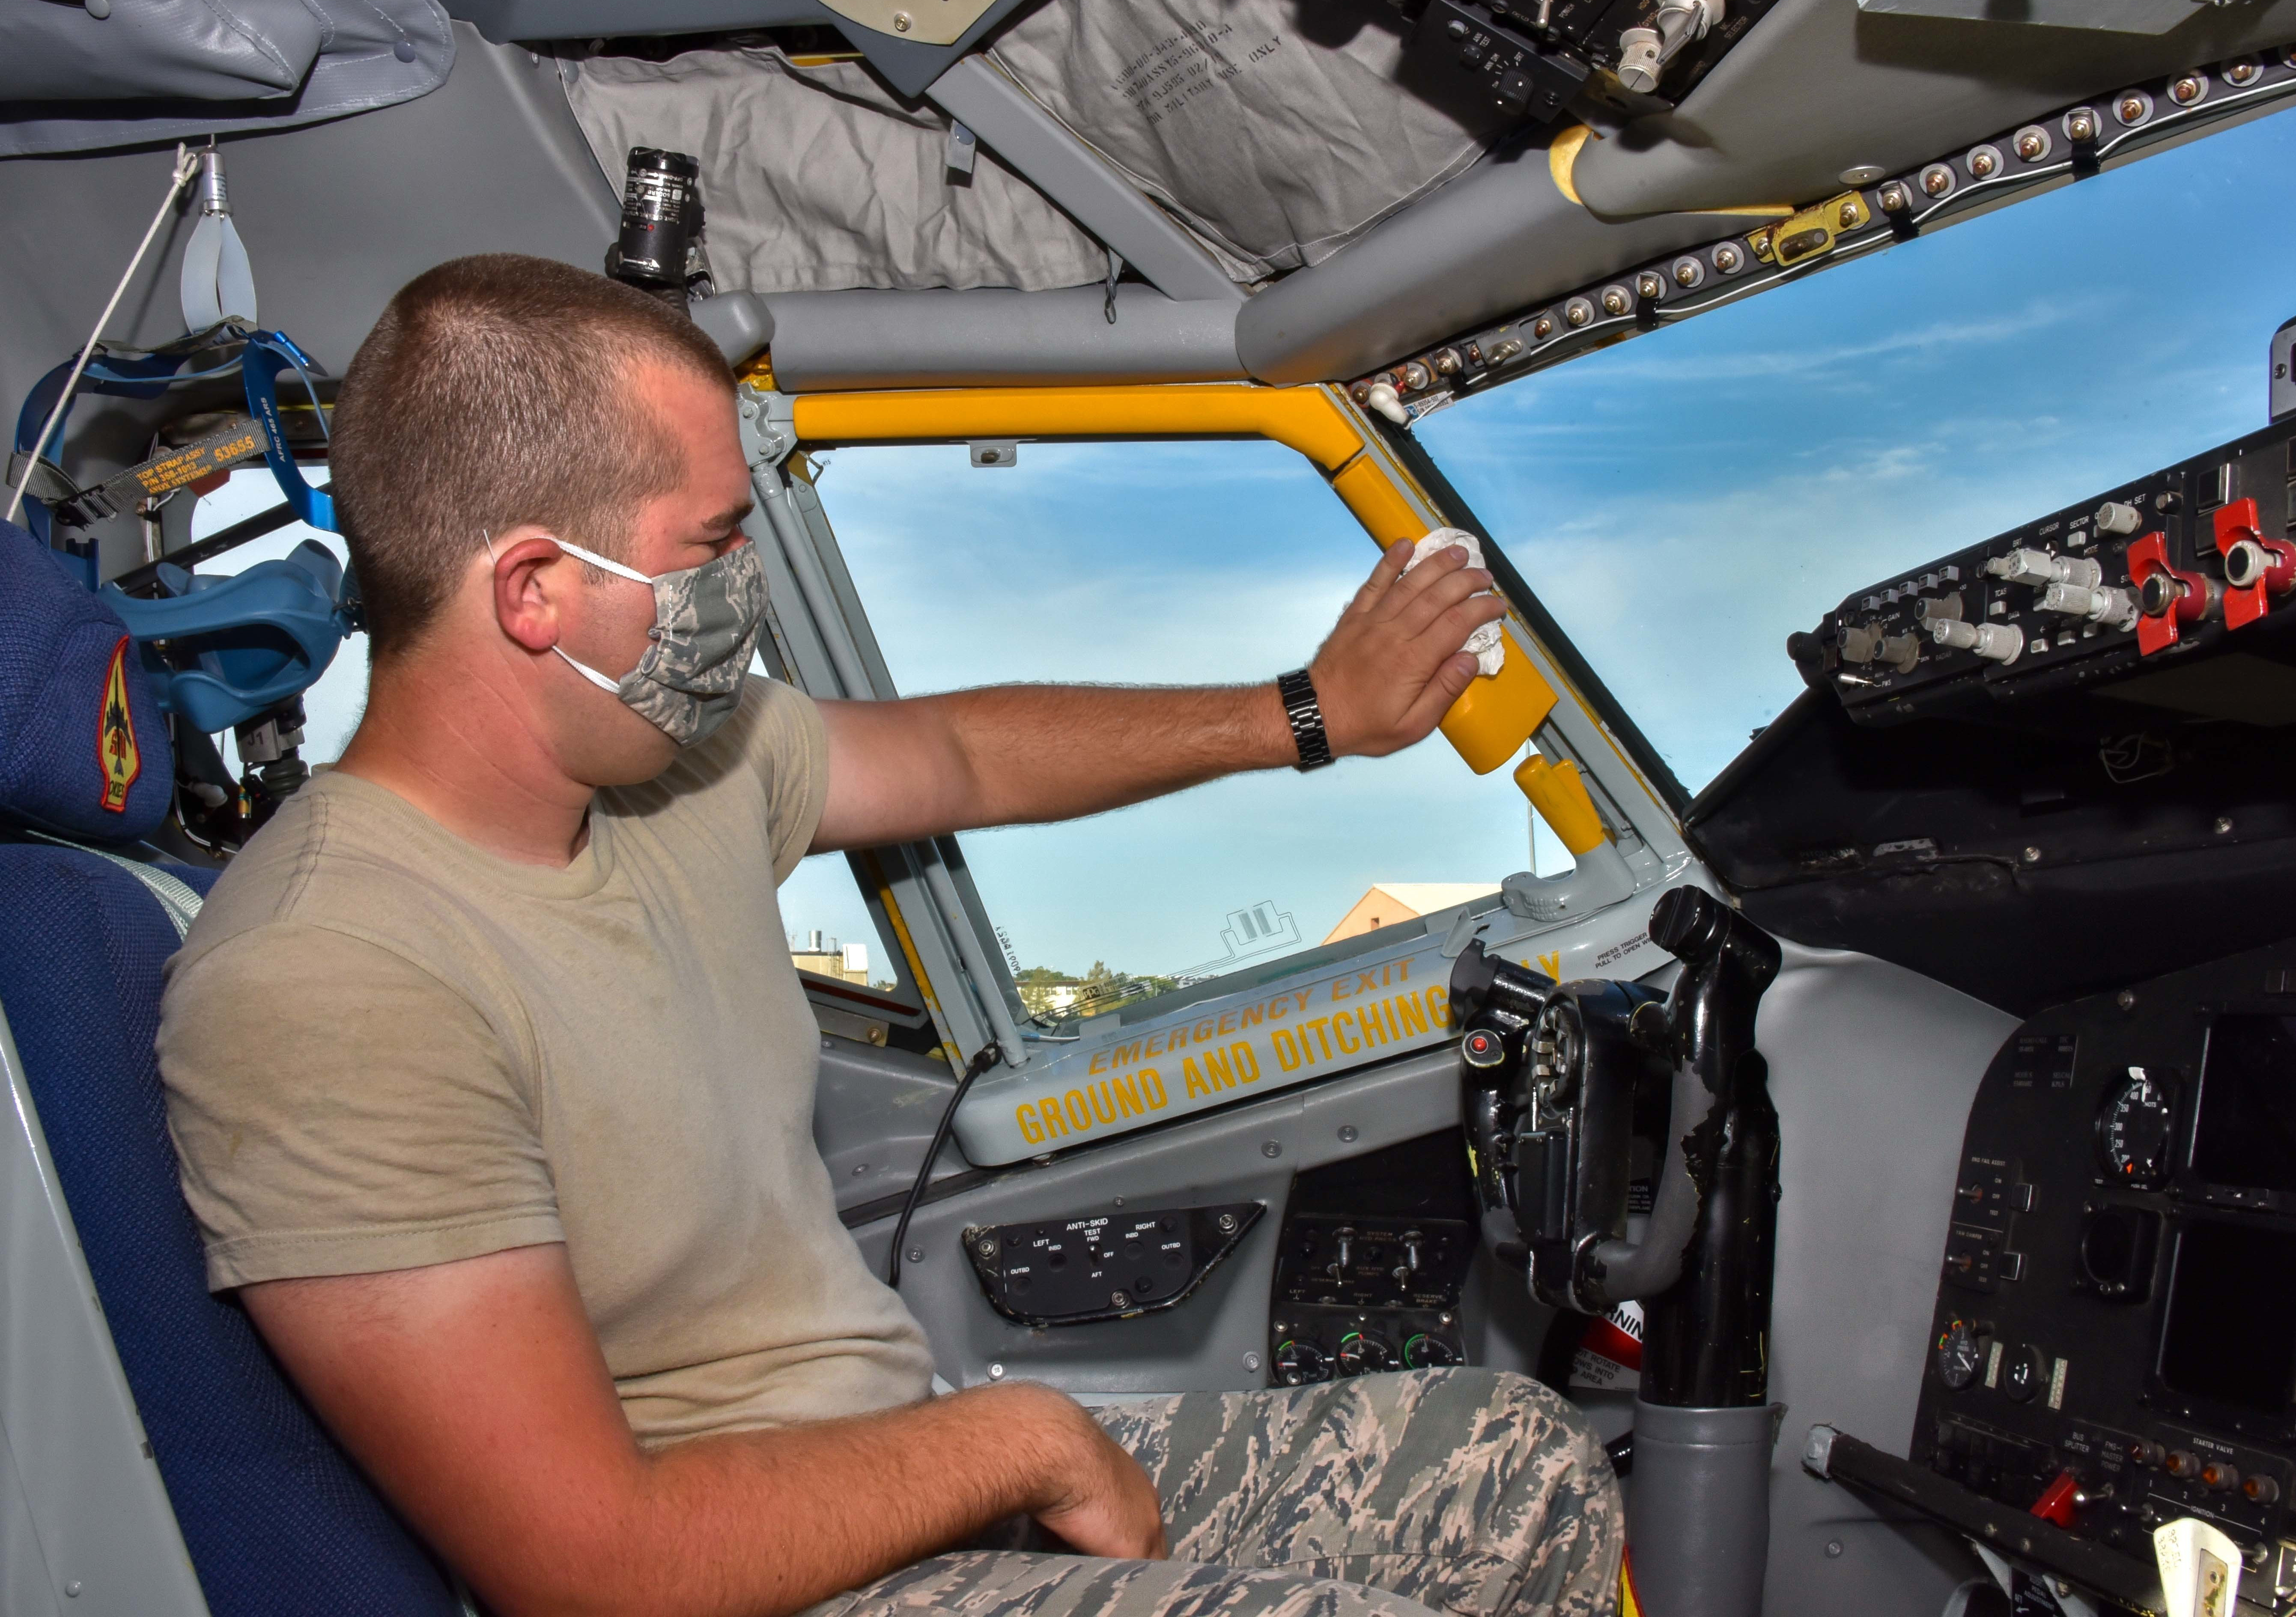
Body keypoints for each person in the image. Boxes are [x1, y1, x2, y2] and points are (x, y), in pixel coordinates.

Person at [157, 254, 1620, 1617]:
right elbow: (592, 1559)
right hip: (736, 1578)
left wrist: (1305, 716)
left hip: (885, 1464)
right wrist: (1024, 1441)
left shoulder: (669, 763)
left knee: (1520, 1458)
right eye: (714, 543)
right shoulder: (327, 978)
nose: (742, 591)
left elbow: (960, 755)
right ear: (535, 591)